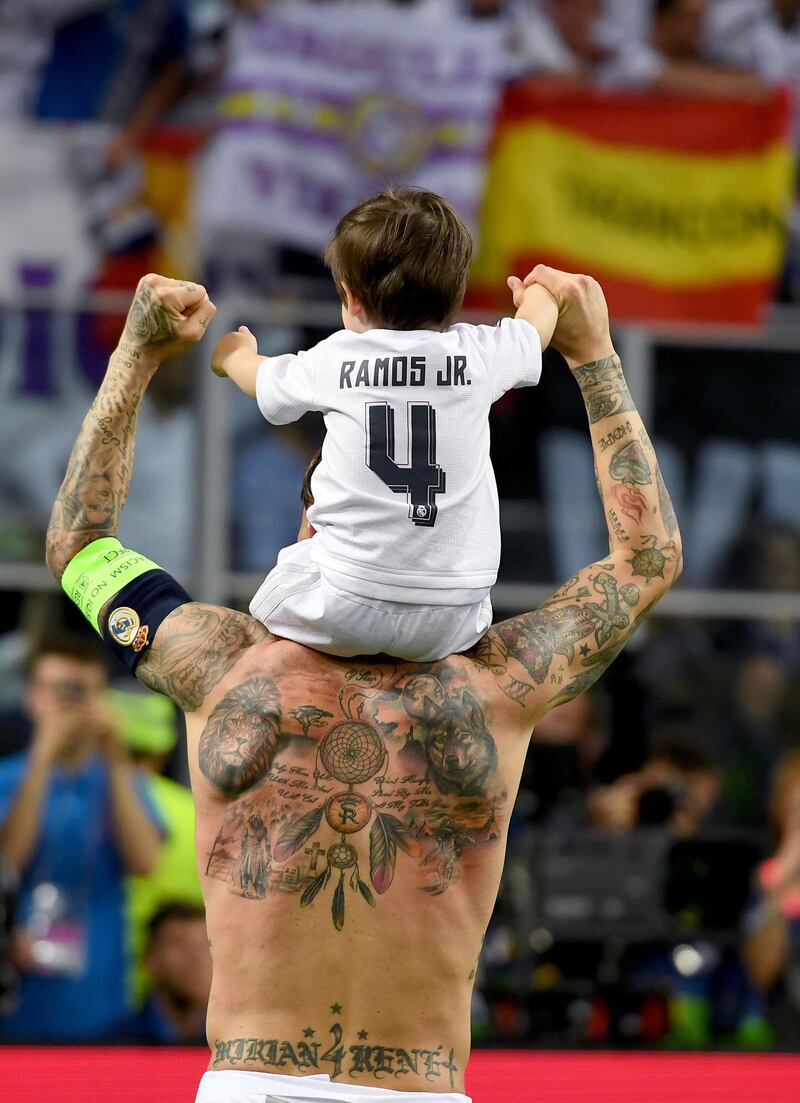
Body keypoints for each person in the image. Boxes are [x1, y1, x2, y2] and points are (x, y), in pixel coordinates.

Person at [45, 266, 680, 1102]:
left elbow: (81, 543)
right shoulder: (498, 685)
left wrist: (137, 351)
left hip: (252, 1080)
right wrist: (592, 352)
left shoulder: (220, 665)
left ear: (311, 527)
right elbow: (647, 560)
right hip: (416, 1086)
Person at [211, 187, 559, 662]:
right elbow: (535, 328)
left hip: (343, 602)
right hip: (454, 617)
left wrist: (233, 355)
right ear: (454, 300)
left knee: (276, 587)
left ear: (350, 298)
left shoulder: (336, 357)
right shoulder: (479, 354)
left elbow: (261, 381)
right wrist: (539, 290)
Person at [0, 636, 163, 1041]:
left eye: (80, 691)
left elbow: (145, 862)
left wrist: (115, 756)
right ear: (31, 698)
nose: (68, 703)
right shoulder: (7, 777)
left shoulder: (122, 780)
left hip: (101, 1001)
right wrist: (41, 758)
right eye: (57, 690)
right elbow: (8, 864)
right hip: (16, 995)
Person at [112, 901, 211, 1045]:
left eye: (205, 945)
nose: (195, 958)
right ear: (149, 960)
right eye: (179, 943)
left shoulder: (229, 1043)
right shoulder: (117, 1044)